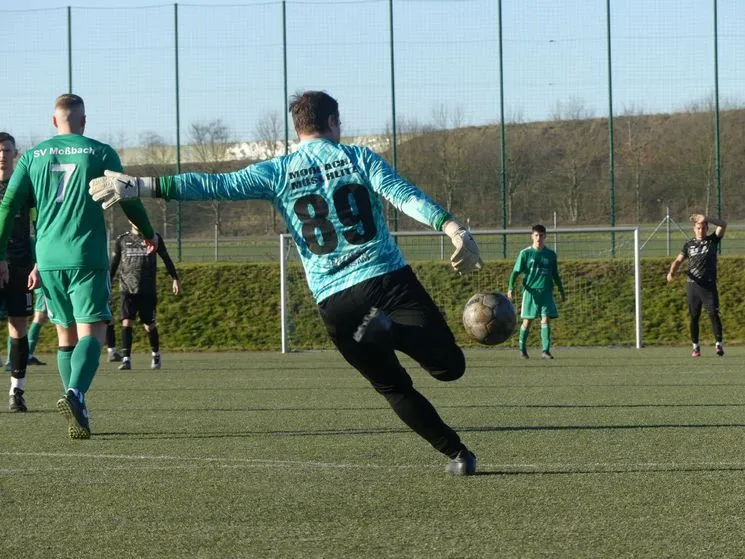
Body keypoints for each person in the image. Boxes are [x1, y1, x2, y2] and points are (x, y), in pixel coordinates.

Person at [90, 90, 483, 476]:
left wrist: (142, 186)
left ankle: (458, 454)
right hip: (385, 279)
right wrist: (450, 226)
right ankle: (391, 331)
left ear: (298, 129)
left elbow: (215, 185)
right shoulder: (358, 157)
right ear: (332, 122)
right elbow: (401, 194)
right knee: (450, 367)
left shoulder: (277, 171)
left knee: (394, 388)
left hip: (336, 302)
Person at [0, 94, 157, 438]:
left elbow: (8, 206)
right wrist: (148, 232)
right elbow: (127, 198)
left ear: (53, 121)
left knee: (65, 335)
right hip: (85, 254)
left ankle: (76, 406)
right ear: (83, 121)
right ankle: (75, 394)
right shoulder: (100, 152)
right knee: (94, 333)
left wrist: (0, 254)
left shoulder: (32, 157)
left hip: (47, 258)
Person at [110, 222, 180, 370]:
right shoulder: (122, 239)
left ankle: (156, 354)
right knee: (127, 322)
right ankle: (126, 359)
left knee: (149, 325)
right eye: (132, 219)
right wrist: (107, 283)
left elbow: (166, 258)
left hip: (147, 289)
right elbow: (114, 263)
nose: (136, 221)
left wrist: (175, 278)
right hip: (127, 289)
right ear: (129, 221)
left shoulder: (153, 237)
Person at [0, 132, 36, 412]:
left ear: (15, 153)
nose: (3, 155)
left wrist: (38, 261)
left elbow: (41, 223)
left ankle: (17, 391)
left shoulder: (25, 186)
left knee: (18, 324)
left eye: (7, 150)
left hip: (20, 263)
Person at [667, 213, 727, 357]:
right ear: (694, 229)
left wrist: (706, 218)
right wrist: (672, 272)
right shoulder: (689, 245)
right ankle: (695, 347)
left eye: (703, 228)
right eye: (698, 228)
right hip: (693, 286)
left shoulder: (712, 240)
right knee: (694, 317)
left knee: (713, 313)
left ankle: (718, 344)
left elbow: (723, 224)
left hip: (708, 286)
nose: (701, 231)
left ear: (707, 228)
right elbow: (678, 261)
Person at [507, 224, 566, 360]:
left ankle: (545, 351)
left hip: (546, 292)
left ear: (545, 237)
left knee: (546, 320)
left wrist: (561, 291)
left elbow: (555, 274)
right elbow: (515, 272)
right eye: (536, 235)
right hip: (531, 292)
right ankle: (522, 349)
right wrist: (510, 288)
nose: (538, 238)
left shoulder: (550, 254)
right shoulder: (525, 253)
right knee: (528, 321)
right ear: (532, 236)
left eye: (541, 235)